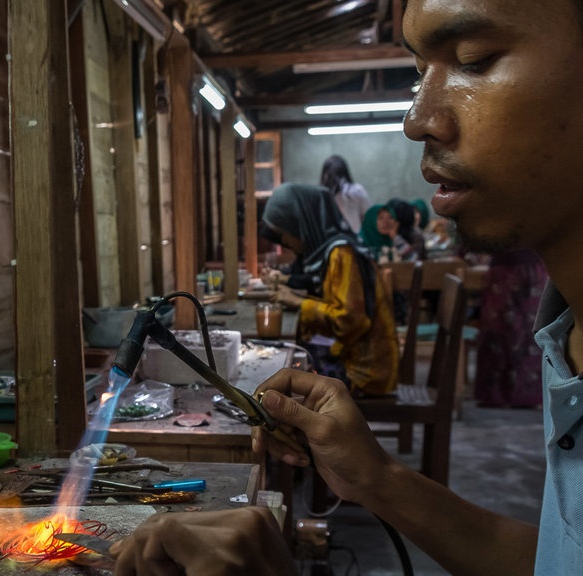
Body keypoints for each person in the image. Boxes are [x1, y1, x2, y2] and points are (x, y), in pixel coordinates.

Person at [108, 0, 581, 574]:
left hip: (369, 368)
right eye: (416, 75)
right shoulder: (567, 335)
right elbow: (558, 560)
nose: (416, 119)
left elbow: (349, 320)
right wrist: (377, 479)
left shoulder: (343, 255)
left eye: (473, 60)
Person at [258, 183, 398, 396]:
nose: (284, 241)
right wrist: (294, 296)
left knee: (279, 381)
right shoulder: (331, 250)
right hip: (350, 354)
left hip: (364, 370)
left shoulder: (342, 254)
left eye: (285, 233)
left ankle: (306, 428)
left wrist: (298, 302)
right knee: (286, 364)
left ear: (301, 224)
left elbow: (350, 320)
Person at [474, 249, 548, 408]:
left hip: (521, 264)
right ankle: (509, 394)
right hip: (519, 264)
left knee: (523, 331)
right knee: (503, 330)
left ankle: (510, 394)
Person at [320, 154, 371, 233]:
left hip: (329, 241)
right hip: (353, 240)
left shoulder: (319, 194)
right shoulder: (356, 190)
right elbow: (369, 216)